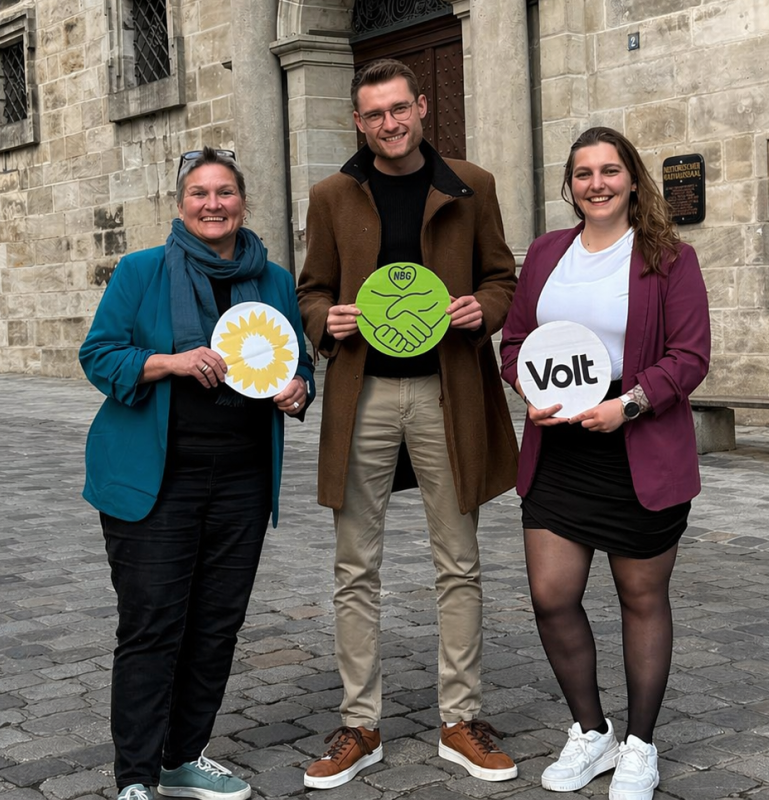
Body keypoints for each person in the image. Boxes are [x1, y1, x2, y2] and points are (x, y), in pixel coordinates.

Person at [296, 58, 520, 788]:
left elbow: (501, 279)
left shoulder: (471, 184)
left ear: (422, 108)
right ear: (358, 122)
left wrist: (480, 311)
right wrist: (322, 320)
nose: (390, 123)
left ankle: (460, 718)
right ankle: (359, 723)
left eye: (400, 109)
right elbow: (313, 288)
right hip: (362, 394)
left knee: (459, 559)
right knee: (354, 565)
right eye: (375, 114)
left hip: (444, 390)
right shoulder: (332, 195)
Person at [80, 147, 315, 800]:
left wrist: (299, 392)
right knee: (154, 623)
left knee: (216, 624)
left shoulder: (271, 280)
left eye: (226, 192)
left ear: (243, 200)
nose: (214, 204)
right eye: (200, 193)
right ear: (180, 204)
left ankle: (183, 756)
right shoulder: (142, 270)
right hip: (155, 480)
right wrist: (171, 363)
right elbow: (99, 355)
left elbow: (298, 365)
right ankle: (135, 776)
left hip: (240, 481)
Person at [499, 127, 710, 800]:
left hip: (636, 446)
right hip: (560, 447)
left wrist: (632, 404)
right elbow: (515, 343)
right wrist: (528, 391)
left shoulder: (669, 257)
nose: (597, 183)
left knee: (641, 598)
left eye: (610, 170)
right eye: (584, 173)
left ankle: (642, 746)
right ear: (570, 185)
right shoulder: (544, 253)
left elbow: (690, 355)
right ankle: (593, 733)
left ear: (632, 179)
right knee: (550, 596)